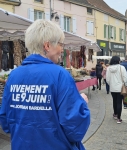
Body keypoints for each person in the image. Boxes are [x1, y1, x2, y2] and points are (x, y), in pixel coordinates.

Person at [0, 20, 90, 150]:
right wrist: (81, 104)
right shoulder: (60, 75)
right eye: (60, 44)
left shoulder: (14, 75)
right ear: (47, 45)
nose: (62, 49)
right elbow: (74, 128)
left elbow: (6, 121)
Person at [106, 56, 127, 124]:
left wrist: (111, 84)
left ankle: (115, 114)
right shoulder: (122, 67)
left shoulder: (108, 68)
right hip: (120, 87)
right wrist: (125, 84)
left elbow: (107, 79)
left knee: (114, 101)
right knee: (119, 102)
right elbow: (125, 77)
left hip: (112, 88)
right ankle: (119, 118)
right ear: (118, 60)